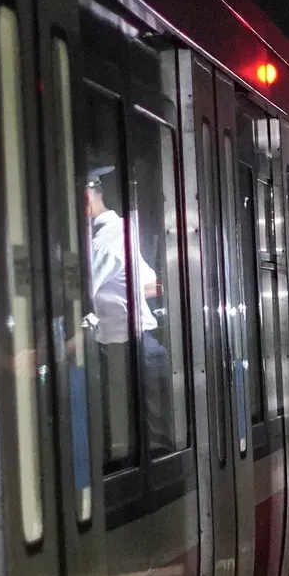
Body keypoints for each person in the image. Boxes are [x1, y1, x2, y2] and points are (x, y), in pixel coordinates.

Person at [84, 166, 174, 460]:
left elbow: (77, 297)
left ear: (86, 199)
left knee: (145, 450)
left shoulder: (102, 243)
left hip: (128, 351)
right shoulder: (122, 229)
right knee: (149, 445)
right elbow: (150, 284)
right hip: (140, 347)